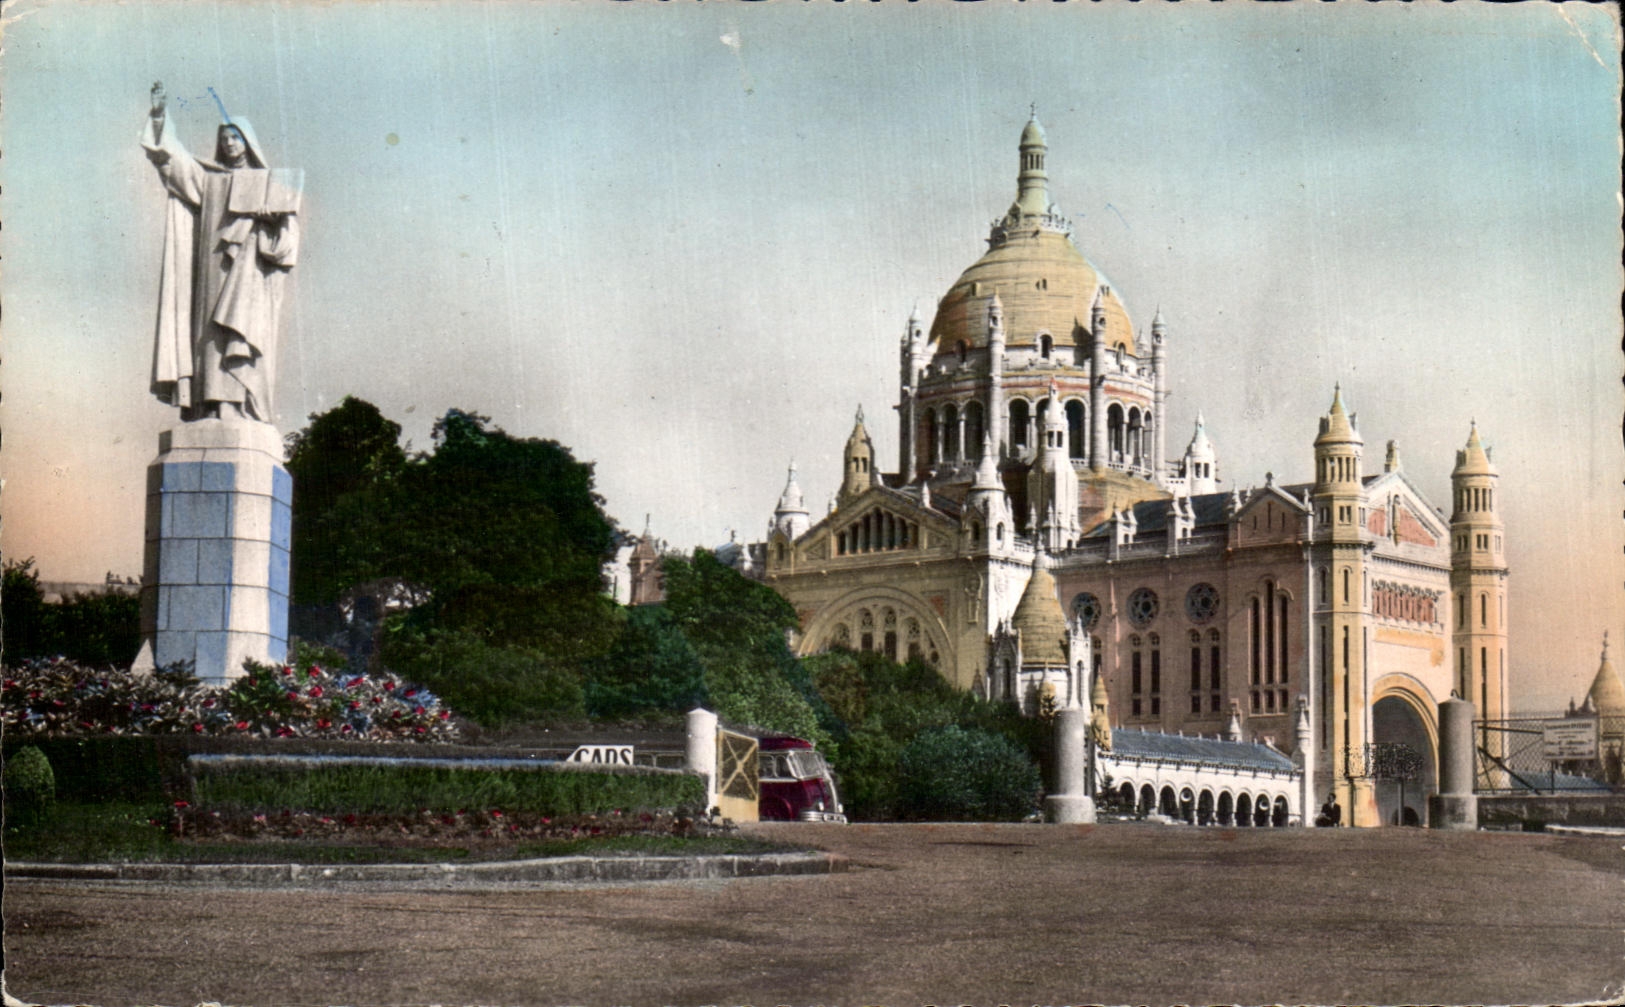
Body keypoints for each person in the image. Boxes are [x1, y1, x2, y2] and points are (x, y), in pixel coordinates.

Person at [141, 82, 301, 423]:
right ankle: (212, 404)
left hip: (250, 276)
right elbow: (173, 162)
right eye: (225, 138)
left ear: (247, 143)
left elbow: (286, 244)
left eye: (235, 137)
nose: (229, 144)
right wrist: (158, 116)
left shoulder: (269, 183)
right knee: (211, 337)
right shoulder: (210, 180)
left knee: (239, 333)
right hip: (213, 270)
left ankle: (237, 404)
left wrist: (269, 221)